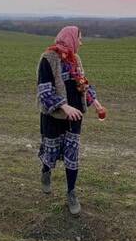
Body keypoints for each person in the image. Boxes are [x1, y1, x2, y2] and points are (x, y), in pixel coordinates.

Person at [37, 26, 106, 215]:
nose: (81, 43)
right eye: (80, 39)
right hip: (54, 116)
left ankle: (71, 192)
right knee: (51, 152)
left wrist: (97, 103)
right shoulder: (48, 59)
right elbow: (44, 92)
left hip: (75, 117)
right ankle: (46, 171)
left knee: (72, 156)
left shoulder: (76, 60)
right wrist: (63, 106)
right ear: (70, 39)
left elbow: (83, 84)